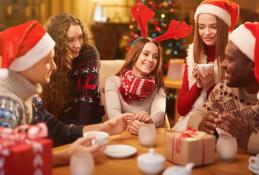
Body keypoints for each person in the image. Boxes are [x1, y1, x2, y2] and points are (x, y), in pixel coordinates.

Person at [0, 20, 129, 166]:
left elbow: (55, 130)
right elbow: (6, 161)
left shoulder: (29, 94)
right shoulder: (6, 103)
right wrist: (66, 156)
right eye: (48, 61)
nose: (54, 66)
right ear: (27, 64)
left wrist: (104, 128)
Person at [186, 22, 259, 154]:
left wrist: (247, 138)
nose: (223, 64)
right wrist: (201, 125)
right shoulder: (223, 89)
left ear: (253, 64)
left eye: (230, 59)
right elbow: (195, 116)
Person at [177, 0, 239, 116]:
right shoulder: (193, 55)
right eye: (201, 27)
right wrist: (199, 85)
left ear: (223, 27)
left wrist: (210, 86)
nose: (206, 33)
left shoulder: (235, 56)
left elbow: (231, 111)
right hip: (192, 123)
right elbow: (181, 109)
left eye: (213, 27)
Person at [42, 13, 104, 125]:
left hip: (87, 120)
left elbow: (87, 100)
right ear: (58, 42)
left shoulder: (89, 53)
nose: (78, 45)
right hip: (61, 121)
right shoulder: (51, 57)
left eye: (80, 37)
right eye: (70, 40)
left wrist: (80, 132)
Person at [105, 37, 166, 135]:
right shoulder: (113, 82)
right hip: (120, 138)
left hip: (146, 137)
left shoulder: (158, 89)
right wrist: (133, 125)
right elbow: (113, 113)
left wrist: (148, 122)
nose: (150, 60)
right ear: (134, 56)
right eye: (146, 54)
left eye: (155, 57)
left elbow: (159, 113)